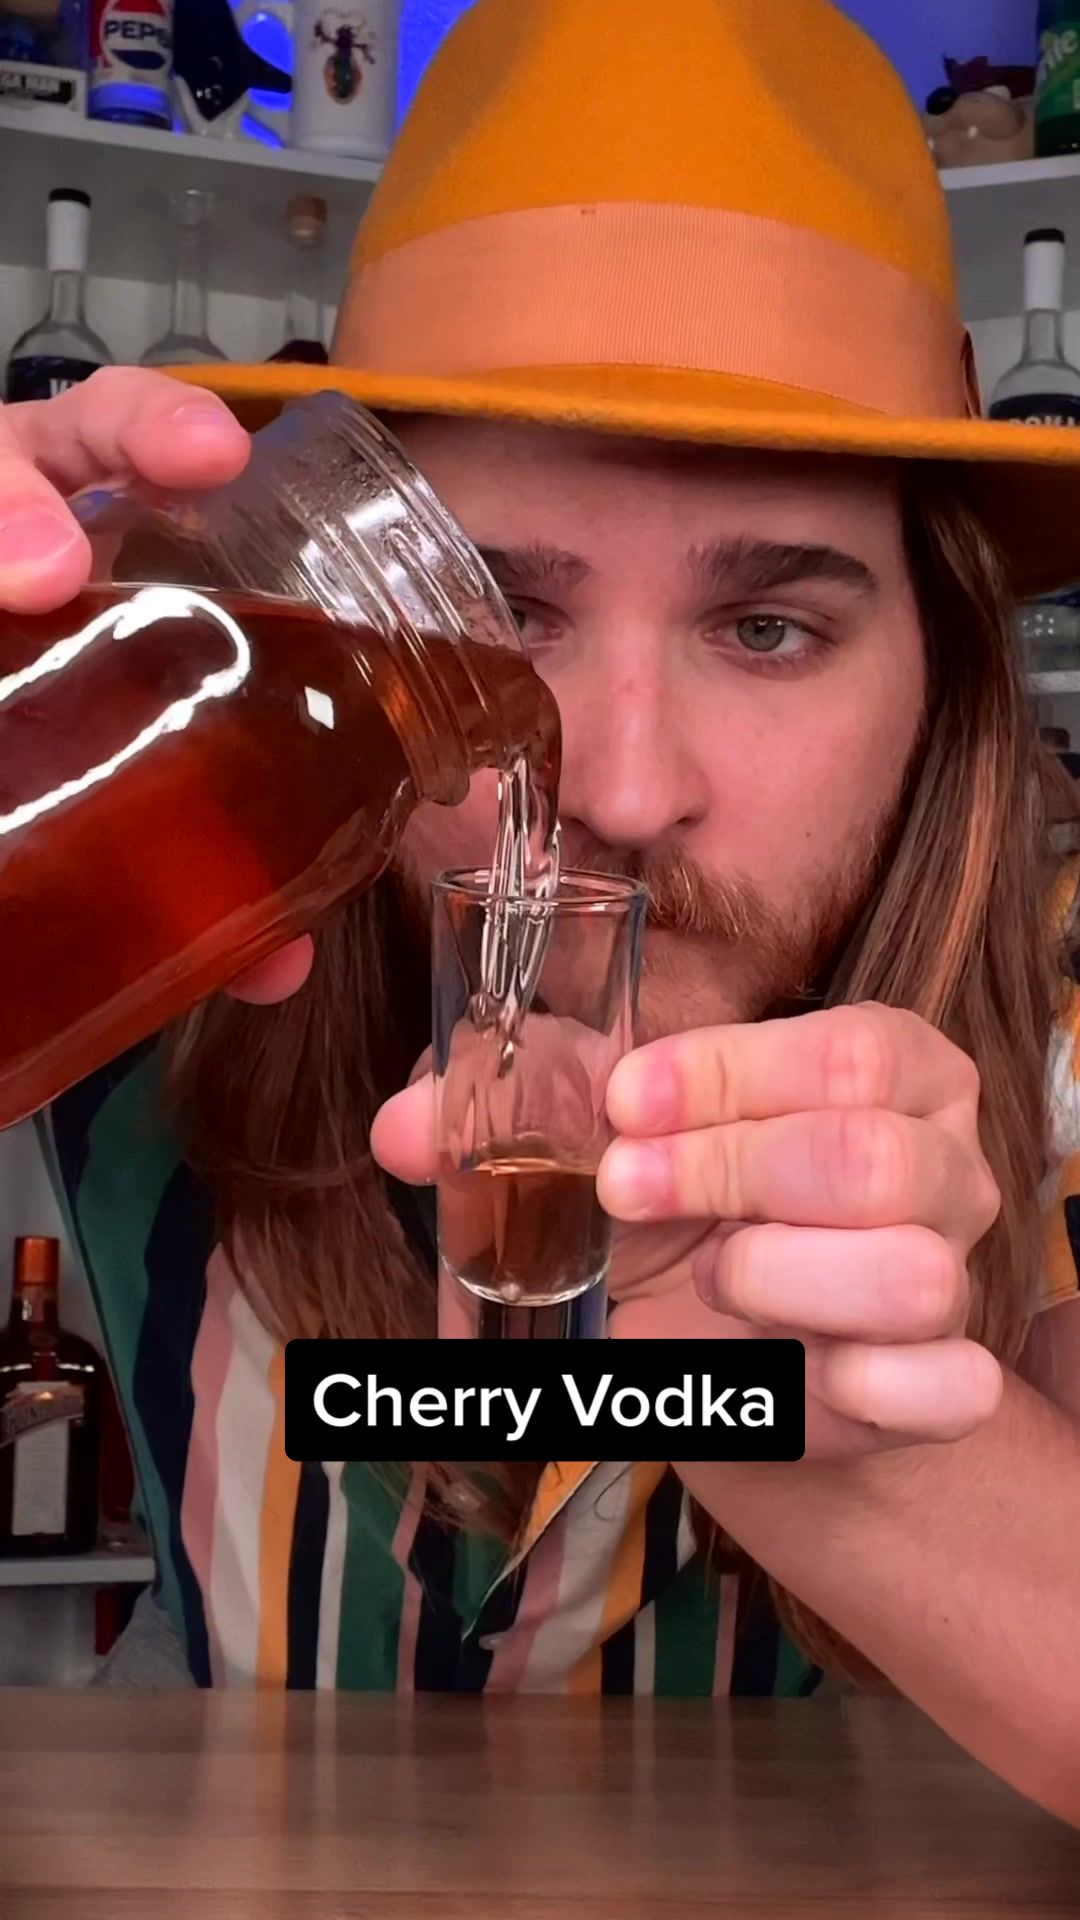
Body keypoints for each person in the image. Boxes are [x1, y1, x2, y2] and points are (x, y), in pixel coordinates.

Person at [2, 0, 1080, 1820]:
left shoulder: (1054, 1047)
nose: (623, 790)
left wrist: (850, 1443)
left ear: (943, 681)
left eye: (768, 627)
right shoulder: (157, 935)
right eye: (502, 615)